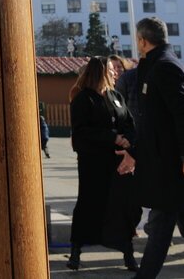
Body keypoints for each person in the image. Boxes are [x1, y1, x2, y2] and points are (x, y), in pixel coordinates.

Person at [120, 17, 184, 279]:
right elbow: (153, 120)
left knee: (169, 230)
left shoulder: (166, 66)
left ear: (142, 41)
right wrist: (135, 153)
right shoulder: (155, 64)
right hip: (167, 165)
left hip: (176, 167)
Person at [67, 56, 138, 272]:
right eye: (111, 69)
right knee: (89, 205)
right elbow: (81, 132)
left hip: (118, 163)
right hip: (93, 164)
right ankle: (76, 251)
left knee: (122, 207)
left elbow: (128, 122)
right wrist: (112, 137)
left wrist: (127, 140)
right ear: (100, 72)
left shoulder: (115, 96)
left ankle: (127, 253)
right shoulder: (84, 99)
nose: (116, 72)